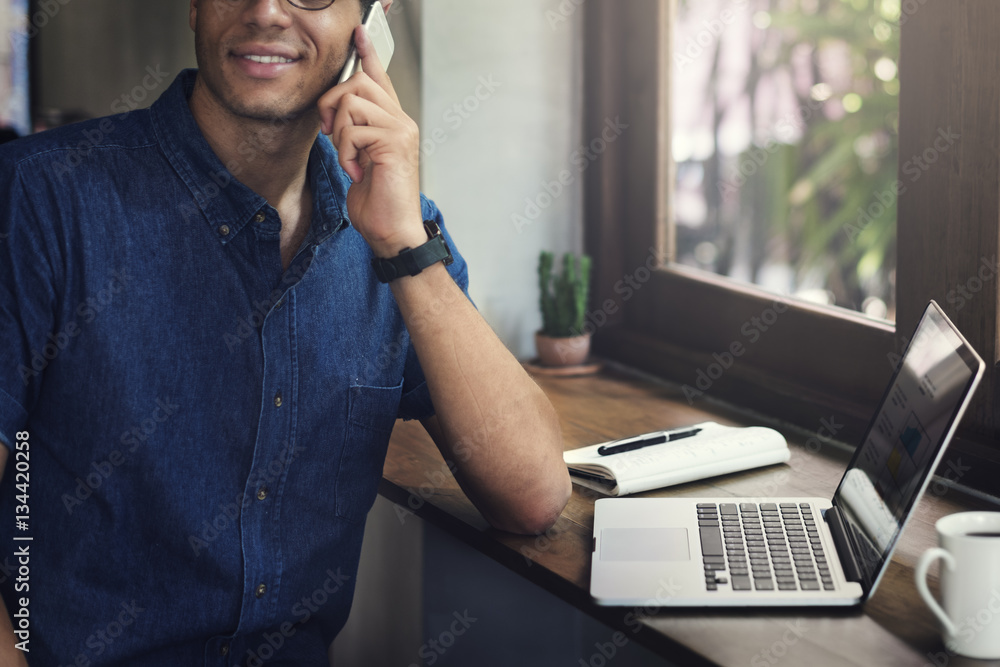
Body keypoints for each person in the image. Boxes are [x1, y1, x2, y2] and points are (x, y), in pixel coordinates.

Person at [0, 0, 571, 664]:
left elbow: (531, 495)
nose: (267, 10)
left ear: (368, 27)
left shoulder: (395, 230)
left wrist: (402, 245)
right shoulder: (37, 199)